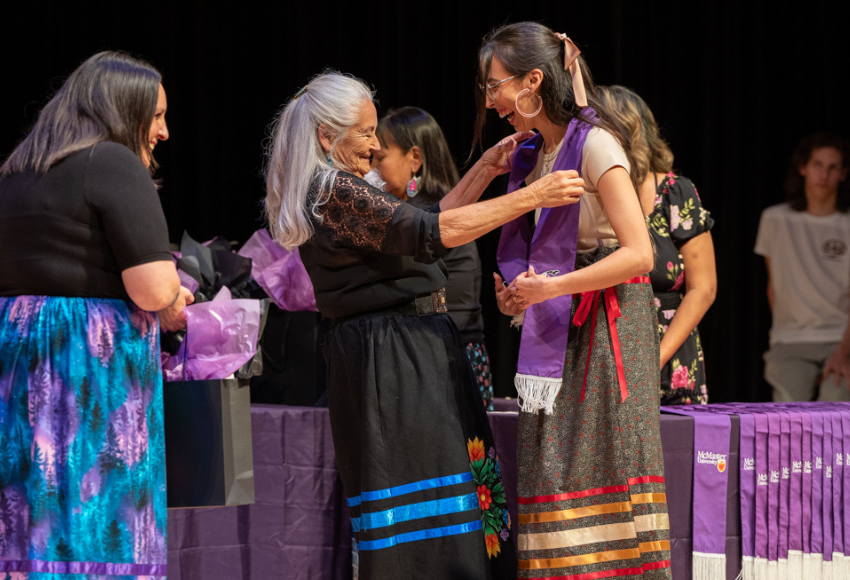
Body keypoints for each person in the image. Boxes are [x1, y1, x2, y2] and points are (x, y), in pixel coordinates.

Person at [264, 71, 584, 580]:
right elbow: (429, 232)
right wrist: (533, 196)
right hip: (392, 362)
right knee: (428, 525)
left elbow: (424, 225)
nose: (374, 145)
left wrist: (484, 168)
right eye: (365, 133)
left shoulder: (338, 188)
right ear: (326, 135)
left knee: (458, 507)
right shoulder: (332, 191)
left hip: (405, 352)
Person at [0, 51, 192, 580]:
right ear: (123, 112)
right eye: (156, 117)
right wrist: (172, 300)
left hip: (11, 363)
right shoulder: (111, 160)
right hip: (80, 367)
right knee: (83, 520)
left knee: (20, 519)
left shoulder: (19, 168)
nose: (164, 132)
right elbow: (152, 287)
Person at [479, 23, 671, 579]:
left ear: (533, 81)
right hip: (560, 318)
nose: (491, 101)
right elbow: (542, 250)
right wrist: (518, 292)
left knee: (603, 464)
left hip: (609, 324)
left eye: (495, 85)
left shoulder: (597, 142)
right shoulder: (535, 153)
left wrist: (552, 287)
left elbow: (640, 255)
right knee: (551, 470)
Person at [369, 106, 494, 410]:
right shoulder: (410, 215)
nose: (371, 169)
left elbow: (458, 309)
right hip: (423, 357)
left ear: (415, 158)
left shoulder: (428, 220)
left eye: (380, 158)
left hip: (448, 361)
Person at [598, 85, 717, 405]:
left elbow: (703, 289)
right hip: (603, 354)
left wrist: (652, 362)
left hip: (668, 354)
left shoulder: (675, 193)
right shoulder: (589, 195)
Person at [755, 132, 850, 401]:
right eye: (818, 165)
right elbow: (774, 284)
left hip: (840, 339)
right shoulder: (775, 219)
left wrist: (843, 351)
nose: (824, 174)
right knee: (789, 419)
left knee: (835, 417)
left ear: (843, 174)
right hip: (790, 340)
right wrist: (782, 331)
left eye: (833, 167)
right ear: (803, 168)